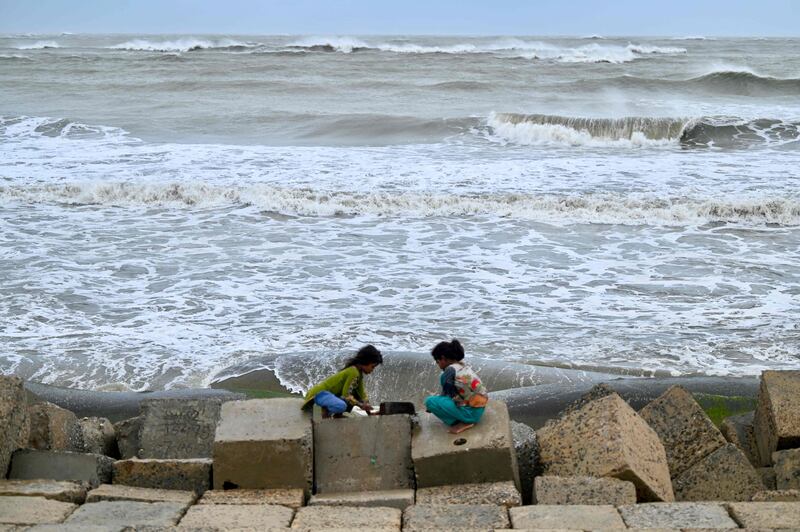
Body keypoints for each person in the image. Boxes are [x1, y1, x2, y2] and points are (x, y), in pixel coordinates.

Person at [424, 339, 488, 433]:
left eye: (437, 361)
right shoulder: (461, 366)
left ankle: (462, 422)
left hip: (470, 414)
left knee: (429, 401)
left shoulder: (449, 371)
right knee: (443, 382)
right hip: (479, 408)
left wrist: (434, 406)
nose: (438, 365)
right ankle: (464, 418)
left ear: (443, 358)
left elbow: (449, 393)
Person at [301, 344, 382, 417]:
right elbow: (346, 395)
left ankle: (337, 415)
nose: (372, 370)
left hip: (328, 397)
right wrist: (361, 405)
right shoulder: (353, 372)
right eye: (372, 367)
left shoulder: (359, 374)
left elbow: (362, 395)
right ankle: (325, 414)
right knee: (343, 404)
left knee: (353, 398)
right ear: (366, 361)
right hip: (318, 395)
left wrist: (370, 413)